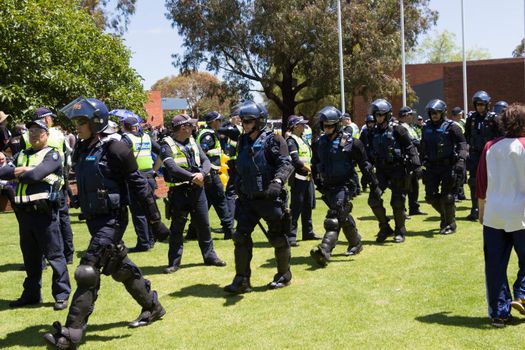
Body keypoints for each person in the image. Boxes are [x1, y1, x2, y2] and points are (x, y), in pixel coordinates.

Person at [43, 98, 170, 349]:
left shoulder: (116, 148)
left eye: (82, 122)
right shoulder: (83, 148)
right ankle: (153, 306)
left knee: (87, 269)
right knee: (118, 265)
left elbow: (139, 186)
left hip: (113, 219)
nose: (77, 126)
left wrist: (156, 222)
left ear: (96, 122)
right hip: (93, 219)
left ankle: (71, 333)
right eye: (77, 121)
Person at [224, 100, 294, 293]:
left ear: (260, 121)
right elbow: (239, 166)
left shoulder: (274, 140)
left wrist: (277, 182)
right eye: (243, 121)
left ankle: (283, 275)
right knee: (240, 237)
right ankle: (242, 280)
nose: (245, 125)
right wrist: (237, 182)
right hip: (248, 200)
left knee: (278, 238)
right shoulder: (242, 140)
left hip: (269, 198)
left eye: (249, 121)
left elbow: (286, 164)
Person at [0, 119, 71, 310]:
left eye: (38, 132)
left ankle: (61, 294)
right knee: (30, 259)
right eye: (30, 131)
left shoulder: (52, 155)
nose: (33, 135)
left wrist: (19, 172)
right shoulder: (22, 154)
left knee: (55, 256)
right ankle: (31, 295)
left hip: (44, 214)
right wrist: (22, 170)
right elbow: (2, 172)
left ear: (46, 135)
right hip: (24, 215)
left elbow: (35, 176)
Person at [476, 103, 525, 328]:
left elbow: (481, 183)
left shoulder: (489, 146)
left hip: (495, 213)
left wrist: (482, 212)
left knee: (495, 265)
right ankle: (522, 293)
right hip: (521, 213)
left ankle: (499, 313)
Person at [310, 106, 376, 266]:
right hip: (328, 186)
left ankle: (325, 249)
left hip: (346, 184)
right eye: (324, 125)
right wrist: (318, 180)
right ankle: (356, 243)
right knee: (343, 216)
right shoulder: (320, 143)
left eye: (330, 125)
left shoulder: (349, 142)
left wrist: (374, 185)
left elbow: (364, 163)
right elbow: (315, 162)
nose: (327, 129)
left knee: (334, 217)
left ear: (337, 125)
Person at [159, 114, 226, 274]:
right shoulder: (166, 144)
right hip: (179, 191)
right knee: (177, 228)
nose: (193, 128)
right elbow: (171, 167)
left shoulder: (193, 141)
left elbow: (206, 161)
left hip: (197, 190)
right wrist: (192, 177)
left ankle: (210, 256)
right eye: (190, 125)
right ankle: (174, 263)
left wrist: (202, 174)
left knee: (204, 225)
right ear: (183, 127)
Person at [366, 99, 422, 243]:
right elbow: (368, 152)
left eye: (381, 115)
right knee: (373, 199)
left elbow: (410, 147)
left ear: (388, 114)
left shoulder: (398, 129)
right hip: (381, 171)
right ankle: (385, 227)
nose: (378, 118)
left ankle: (400, 231)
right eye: (376, 115)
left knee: (397, 202)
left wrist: (416, 166)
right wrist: (366, 169)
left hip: (397, 170)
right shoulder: (372, 132)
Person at [29, 107, 75, 264]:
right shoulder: (59, 134)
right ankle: (68, 255)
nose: (52, 120)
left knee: (40, 222)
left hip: (38, 184)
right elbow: (67, 155)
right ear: (45, 119)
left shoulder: (26, 135)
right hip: (58, 182)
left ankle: (42, 259)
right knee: (63, 219)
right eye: (51, 118)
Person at [420, 99, 468, 235]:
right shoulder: (426, 127)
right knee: (430, 197)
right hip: (431, 167)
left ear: (443, 113)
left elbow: (463, 144)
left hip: (448, 166)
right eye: (432, 113)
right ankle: (445, 216)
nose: (434, 115)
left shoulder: (452, 127)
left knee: (447, 197)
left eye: (437, 112)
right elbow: (423, 146)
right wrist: (419, 164)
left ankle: (450, 224)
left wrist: (461, 160)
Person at [190, 111, 234, 239]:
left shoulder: (208, 134)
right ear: (213, 122)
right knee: (221, 201)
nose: (220, 123)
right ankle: (228, 230)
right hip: (210, 175)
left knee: (206, 202)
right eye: (219, 120)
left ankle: (192, 232)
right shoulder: (208, 136)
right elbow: (203, 155)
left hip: (207, 174)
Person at [120, 116, 160, 252]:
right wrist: (155, 169)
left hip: (135, 179)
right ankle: (151, 240)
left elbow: (121, 157)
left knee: (138, 212)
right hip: (150, 177)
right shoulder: (147, 137)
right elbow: (162, 151)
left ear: (126, 127)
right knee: (149, 209)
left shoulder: (126, 139)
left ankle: (143, 243)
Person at [464, 91, 502, 221]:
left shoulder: (494, 118)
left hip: (491, 155)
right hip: (475, 155)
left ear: (487, 104)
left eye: (482, 104)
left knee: (493, 181)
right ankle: (475, 208)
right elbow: (467, 135)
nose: (480, 107)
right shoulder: (472, 118)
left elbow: (502, 136)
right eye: (477, 104)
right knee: (473, 182)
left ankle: (493, 207)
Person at [285, 115, 319, 246]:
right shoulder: (291, 141)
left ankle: (308, 232)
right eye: (301, 124)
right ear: (295, 126)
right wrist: (309, 168)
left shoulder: (302, 139)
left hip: (308, 178)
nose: (304, 126)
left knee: (307, 206)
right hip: (298, 178)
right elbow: (295, 160)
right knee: (296, 206)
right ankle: (291, 236)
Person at [398, 106, 425, 216]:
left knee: (414, 185)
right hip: (406, 160)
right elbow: (412, 142)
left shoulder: (410, 126)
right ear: (405, 116)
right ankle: (402, 210)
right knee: (405, 186)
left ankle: (414, 207)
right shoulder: (401, 127)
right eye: (410, 114)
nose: (412, 116)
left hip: (413, 159)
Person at [220, 105, 243, 228]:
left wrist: (232, 122)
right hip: (235, 166)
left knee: (230, 194)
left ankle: (230, 223)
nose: (237, 119)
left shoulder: (238, 130)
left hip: (238, 166)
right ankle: (235, 220)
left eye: (239, 117)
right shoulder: (236, 129)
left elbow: (220, 129)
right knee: (237, 193)